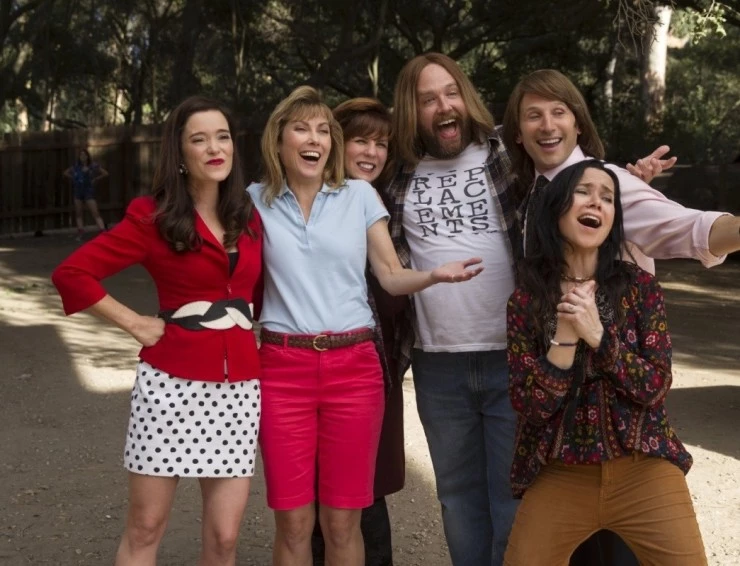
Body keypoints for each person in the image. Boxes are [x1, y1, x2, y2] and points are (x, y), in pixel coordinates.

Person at [384, 52, 738, 566]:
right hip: (485, 381)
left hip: (565, 385)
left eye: (452, 92)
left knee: (544, 514)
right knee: (470, 503)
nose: (443, 106)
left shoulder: (536, 167)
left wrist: (628, 185)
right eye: (427, 99)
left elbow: (679, 224)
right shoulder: (423, 176)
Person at [247, 85, 482, 566]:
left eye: (323, 130)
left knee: (342, 523)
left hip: (353, 369)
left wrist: (433, 275)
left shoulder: (358, 195)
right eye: (301, 129)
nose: (314, 139)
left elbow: (391, 275)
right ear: (279, 139)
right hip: (281, 369)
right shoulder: (253, 201)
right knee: (294, 525)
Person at [52, 96, 262, 566]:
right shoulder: (153, 216)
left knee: (226, 536)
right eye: (199, 139)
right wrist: (133, 322)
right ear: (180, 154)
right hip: (170, 386)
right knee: (146, 526)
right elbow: (72, 274)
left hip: (239, 389)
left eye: (223, 136)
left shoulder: (250, 216)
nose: (215, 148)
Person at [504, 159, 707, 565]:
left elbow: (655, 386)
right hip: (561, 471)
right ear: (557, 208)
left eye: (608, 197)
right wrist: (565, 335)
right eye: (583, 191)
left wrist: (599, 336)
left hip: (643, 467)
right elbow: (531, 406)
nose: (596, 202)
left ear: (613, 219)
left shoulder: (640, 287)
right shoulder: (527, 299)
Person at [501, 68, 740, 275]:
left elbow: (691, 228)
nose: (547, 126)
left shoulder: (612, 184)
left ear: (579, 124)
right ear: (518, 133)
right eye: (534, 116)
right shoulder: (532, 189)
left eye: (558, 112)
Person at [310, 97, 403, 566]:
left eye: (381, 144)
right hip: (311, 365)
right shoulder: (305, 203)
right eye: (360, 140)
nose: (372, 152)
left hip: (374, 367)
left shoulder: (390, 207)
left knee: (366, 489)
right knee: (313, 490)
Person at [63, 148, 109, 240]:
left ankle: (103, 231)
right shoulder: (76, 167)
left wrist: (95, 179)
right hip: (78, 191)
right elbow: (65, 173)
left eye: (84, 155)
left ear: (87, 156)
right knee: (79, 213)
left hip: (88, 191)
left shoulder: (93, 166)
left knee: (95, 213)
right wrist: (74, 179)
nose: (82, 157)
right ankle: (80, 232)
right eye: (81, 155)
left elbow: (105, 173)